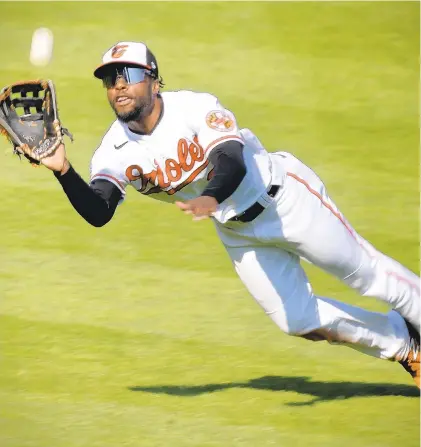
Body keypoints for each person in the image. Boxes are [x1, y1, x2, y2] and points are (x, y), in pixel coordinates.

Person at [41, 41, 420, 388]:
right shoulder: (114, 150)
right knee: (297, 319)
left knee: (368, 275)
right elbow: (99, 210)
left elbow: (230, 159)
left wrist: (210, 197)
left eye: (129, 75)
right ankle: (405, 346)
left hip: (285, 200)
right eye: (110, 79)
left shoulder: (194, 107)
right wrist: (62, 170)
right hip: (239, 231)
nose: (119, 85)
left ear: (154, 81)